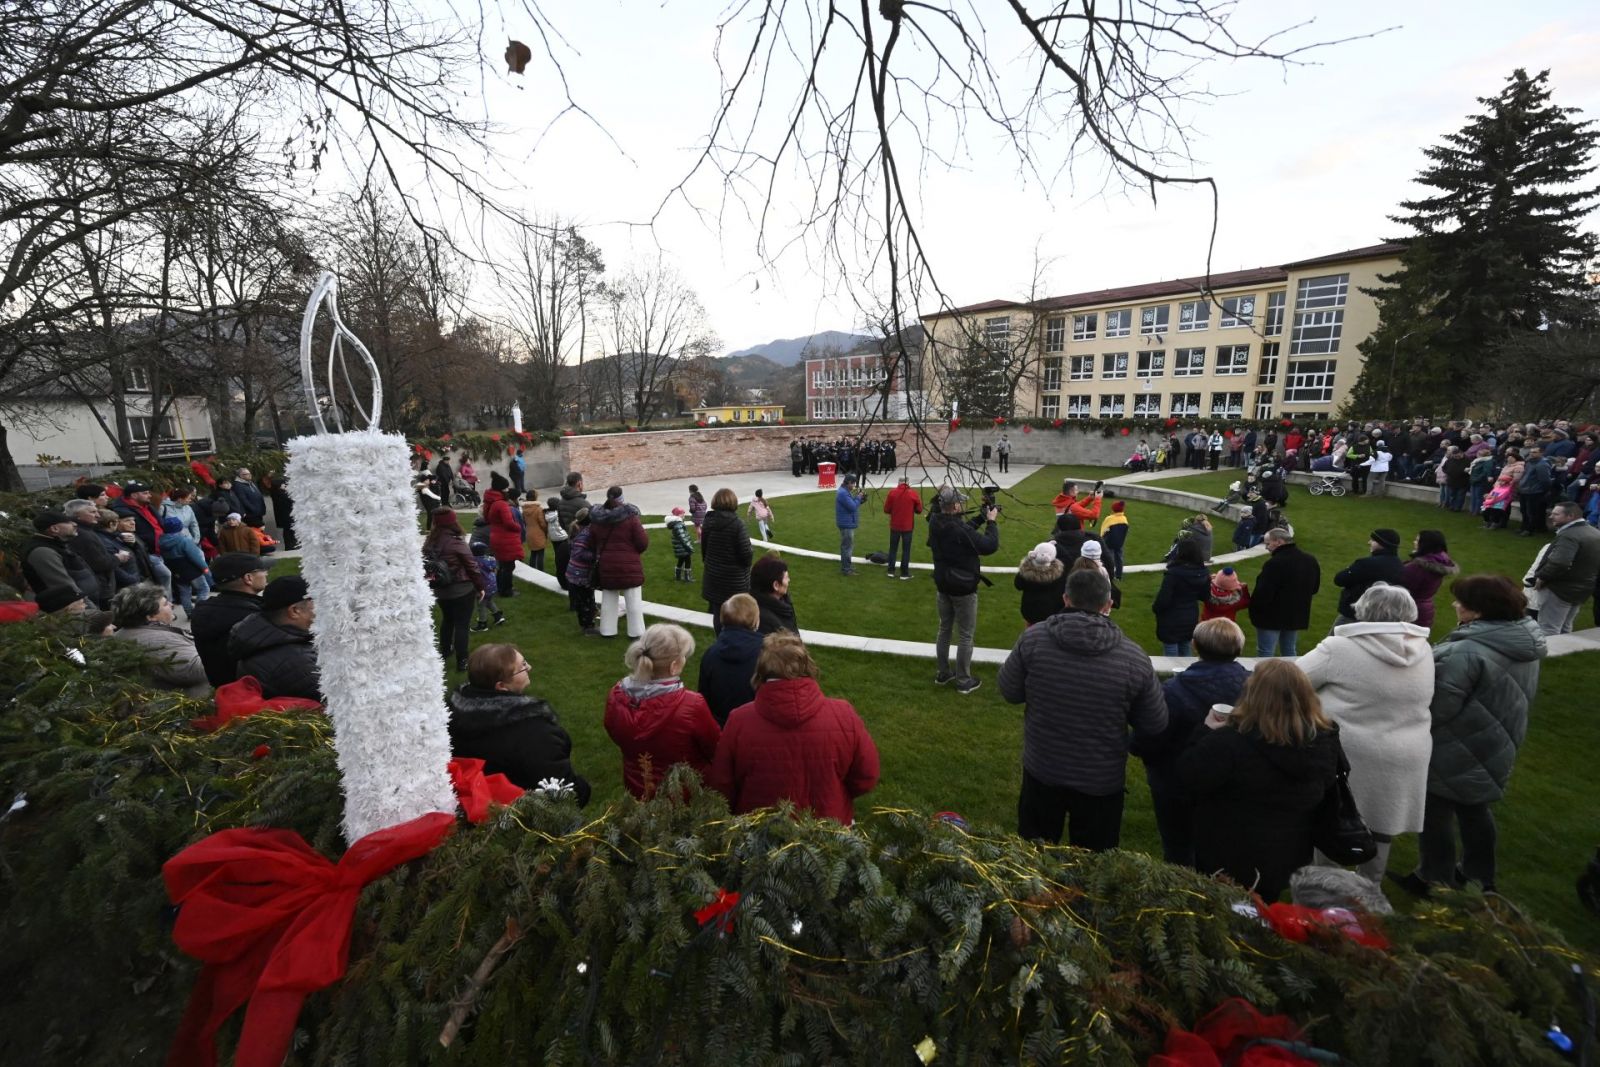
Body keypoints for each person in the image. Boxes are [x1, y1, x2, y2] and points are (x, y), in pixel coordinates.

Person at [1392, 575, 1547, 896]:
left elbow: (1438, 707)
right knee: (1475, 808)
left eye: (1462, 601)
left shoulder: (1468, 650)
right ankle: (1479, 875)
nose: (1454, 604)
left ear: (1479, 611)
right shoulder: (1521, 639)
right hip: (1497, 739)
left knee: (1435, 811)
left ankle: (1432, 878)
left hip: (1455, 743)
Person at [998, 567, 1167, 849]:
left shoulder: (1034, 639)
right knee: (1092, 863)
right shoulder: (1133, 657)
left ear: (1066, 599)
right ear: (1108, 605)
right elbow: (1155, 724)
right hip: (1098, 777)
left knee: (1035, 857)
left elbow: (1010, 691)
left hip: (1045, 768)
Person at [1295, 583, 1434, 883]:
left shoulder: (1340, 648)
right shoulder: (1423, 648)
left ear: (1364, 609)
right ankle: (1369, 890)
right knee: (1383, 823)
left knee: (1333, 818)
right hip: (1408, 752)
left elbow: (1293, 679)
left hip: (1352, 751)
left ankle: (1324, 893)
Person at [1178, 660, 1341, 902]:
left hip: (1228, 851)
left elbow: (1189, 777)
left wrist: (1205, 732)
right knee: (1264, 908)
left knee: (1222, 914)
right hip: (1286, 851)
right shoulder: (1323, 739)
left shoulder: (1229, 742)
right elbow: (1325, 784)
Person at [709, 631, 879, 825]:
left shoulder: (739, 719)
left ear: (761, 669)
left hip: (761, 833)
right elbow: (866, 776)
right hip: (825, 829)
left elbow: (722, 785)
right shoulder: (844, 714)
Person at [1131, 618, 1248, 866]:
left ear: (1195, 646)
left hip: (1177, 783)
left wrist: (1139, 749)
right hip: (1233, 782)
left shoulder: (1172, 691)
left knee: (1178, 848)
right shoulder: (1255, 689)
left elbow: (1150, 738)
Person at [447, 643, 590, 803]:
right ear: (501, 686)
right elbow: (566, 793)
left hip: (478, 806)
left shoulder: (451, 716)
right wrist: (583, 788)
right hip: (523, 816)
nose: (529, 667)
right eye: (522, 667)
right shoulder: (535, 732)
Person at [604, 623, 720, 798]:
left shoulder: (617, 695)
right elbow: (715, 747)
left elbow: (613, 731)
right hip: (683, 794)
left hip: (636, 786)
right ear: (674, 666)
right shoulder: (691, 705)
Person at [928, 487, 999, 694]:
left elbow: (961, 532)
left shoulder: (936, 521)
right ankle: (963, 680)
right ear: (956, 505)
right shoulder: (957, 529)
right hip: (962, 586)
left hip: (943, 584)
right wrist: (992, 521)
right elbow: (989, 545)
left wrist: (979, 517)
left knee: (944, 629)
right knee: (966, 634)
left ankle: (943, 673)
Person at [227, 575, 321, 701]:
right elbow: (344, 706)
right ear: (295, 611)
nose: (327, 608)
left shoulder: (260, 634)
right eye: (319, 602)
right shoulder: (299, 663)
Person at [108, 582, 210, 698]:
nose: (171, 605)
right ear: (150, 616)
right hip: (187, 703)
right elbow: (201, 669)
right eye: (165, 604)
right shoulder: (157, 641)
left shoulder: (128, 632)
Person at [188, 553, 270, 686]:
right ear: (248, 578)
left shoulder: (206, 610)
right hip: (254, 691)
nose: (266, 573)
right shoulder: (252, 617)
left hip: (225, 688)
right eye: (262, 570)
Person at [424, 508, 488, 671]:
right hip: (462, 589)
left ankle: (445, 651)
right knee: (462, 625)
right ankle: (463, 660)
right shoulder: (456, 542)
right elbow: (472, 566)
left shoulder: (429, 542)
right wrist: (480, 587)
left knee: (448, 620)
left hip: (440, 590)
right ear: (453, 521)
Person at [1248, 528, 1321, 657]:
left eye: (1268, 543)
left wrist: (1254, 610)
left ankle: (1265, 677)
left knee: (1265, 652)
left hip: (1271, 617)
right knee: (1289, 650)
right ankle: (1291, 676)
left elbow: (1262, 594)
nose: (1266, 548)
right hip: (1295, 615)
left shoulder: (1274, 563)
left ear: (1279, 542)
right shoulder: (1310, 560)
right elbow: (1314, 588)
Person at [1531, 501, 1600, 635]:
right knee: (1566, 626)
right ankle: (1564, 653)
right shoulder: (1594, 532)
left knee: (1549, 628)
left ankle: (1550, 654)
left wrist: (1542, 577)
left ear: (1570, 516)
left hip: (1560, 589)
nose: (1551, 516)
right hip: (1583, 588)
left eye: (1556, 514)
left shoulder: (1569, 535)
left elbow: (1560, 563)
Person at [589, 486, 649, 639]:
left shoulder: (597, 521)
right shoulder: (631, 518)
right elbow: (642, 542)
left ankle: (607, 630)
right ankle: (636, 632)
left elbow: (592, 541)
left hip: (606, 564)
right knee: (633, 599)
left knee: (608, 598)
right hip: (629, 564)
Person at [696, 594, 764, 727]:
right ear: (756, 621)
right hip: (754, 726)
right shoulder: (767, 653)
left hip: (720, 726)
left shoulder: (710, 654)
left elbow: (703, 698)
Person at [700, 488, 752, 631]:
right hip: (734, 581)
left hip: (714, 576)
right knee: (737, 615)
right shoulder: (737, 524)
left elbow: (704, 550)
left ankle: (721, 641)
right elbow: (746, 555)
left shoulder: (708, 522)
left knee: (718, 613)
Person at [111, 481, 175, 599]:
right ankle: (165, 603)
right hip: (146, 552)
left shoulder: (146, 505)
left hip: (159, 548)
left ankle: (169, 600)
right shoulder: (121, 510)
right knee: (165, 575)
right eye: (145, 493)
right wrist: (143, 545)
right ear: (134, 495)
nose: (149, 495)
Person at [1333, 528, 1405, 626]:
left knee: (1334, 640)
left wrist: (1349, 569)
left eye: (1373, 540)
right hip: (1381, 615)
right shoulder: (1399, 564)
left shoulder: (1366, 563)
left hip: (1355, 613)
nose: (1369, 542)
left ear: (1382, 544)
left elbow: (1339, 579)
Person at [21, 509, 92, 606]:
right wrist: (92, 610)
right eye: (68, 522)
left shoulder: (59, 544)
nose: (75, 524)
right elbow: (65, 587)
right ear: (55, 529)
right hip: (72, 611)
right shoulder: (43, 552)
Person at [1151, 537, 1210, 656]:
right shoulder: (1203, 573)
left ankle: (1173, 674)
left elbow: (1163, 599)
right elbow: (1205, 596)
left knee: (1171, 649)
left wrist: (1156, 609)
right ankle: (1188, 673)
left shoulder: (1174, 574)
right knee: (1185, 645)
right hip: (1190, 615)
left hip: (1171, 617)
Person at [1398, 530, 1459, 629]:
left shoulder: (1417, 567)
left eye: (1417, 540)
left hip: (1410, 610)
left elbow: (1400, 587)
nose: (1414, 542)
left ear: (1425, 544)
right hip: (1425, 608)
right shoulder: (1439, 562)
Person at [64, 499, 118, 607]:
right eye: (92, 512)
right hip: (100, 588)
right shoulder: (81, 535)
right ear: (77, 515)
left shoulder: (87, 530)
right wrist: (118, 558)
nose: (98, 515)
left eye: (97, 511)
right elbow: (99, 563)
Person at [481, 472, 523, 599]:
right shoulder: (501, 504)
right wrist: (518, 527)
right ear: (501, 489)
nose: (507, 490)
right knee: (508, 566)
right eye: (505, 487)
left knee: (503, 565)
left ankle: (500, 587)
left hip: (497, 536)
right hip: (504, 538)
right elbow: (509, 523)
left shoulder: (492, 502)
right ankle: (507, 590)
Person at [158, 516, 211, 615]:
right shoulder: (183, 540)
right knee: (203, 588)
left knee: (185, 592)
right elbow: (196, 557)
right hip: (191, 570)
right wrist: (205, 568)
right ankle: (199, 611)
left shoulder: (161, 541)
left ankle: (189, 612)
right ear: (180, 528)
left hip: (176, 571)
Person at [564, 507, 600, 635]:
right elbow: (579, 553)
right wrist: (595, 556)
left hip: (577, 574)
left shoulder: (581, 531)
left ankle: (589, 622)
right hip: (579, 575)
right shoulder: (584, 534)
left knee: (587, 600)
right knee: (585, 602)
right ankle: (588, 627)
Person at [1014, 541, 1066, 626]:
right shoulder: (1058, 573)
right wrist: (1054, 547)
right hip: (1052, 612)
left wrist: (1025, 565)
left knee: (1031, 635)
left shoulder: (1026, 572)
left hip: (1030, 612)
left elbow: (1018, 585)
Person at [751, 553, 799, 634]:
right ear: (776, 585)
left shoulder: (783, 600)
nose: (789, 580)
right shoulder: (767, 622)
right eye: (786, 577)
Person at [469, 542, 506, 631]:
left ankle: (482, 624)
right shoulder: (491, 559)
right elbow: (494, 568)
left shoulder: (474, 561)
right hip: (492, 585)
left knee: (481, 605)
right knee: (488, 601)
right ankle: (498, 616)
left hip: (482, 587)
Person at [1517, 447, 1553, 536]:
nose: (1532, 454)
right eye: (1531, 452)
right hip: (1524, 490)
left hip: (1534, 491)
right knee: (1524, 510)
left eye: (1534, 452)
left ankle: (1530, 529)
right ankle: (1524, 527)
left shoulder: (1542, 464)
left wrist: (1543, 490)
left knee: (1532, 512)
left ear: (1541, 453)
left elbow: (1545, 480)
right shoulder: (1529, 462)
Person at [834, 474, 864, 575]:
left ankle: (848, 567)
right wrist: (859, 498)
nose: (854, 486)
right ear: (849, 482)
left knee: (847, 546)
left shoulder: (845, 491)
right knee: (847, 547)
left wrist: (859, 499)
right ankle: (846, 569)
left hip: (846, 522)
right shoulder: (843, 493)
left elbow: (851, 503)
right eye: (853, 483)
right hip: (846, 524)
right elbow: (852, 507)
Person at [544, 496, 571, 588]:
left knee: (557, 554)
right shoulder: (558, 514)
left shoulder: (547, 514)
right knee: (565, 555)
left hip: (553, 538)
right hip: (562, 537)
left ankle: (558, 568)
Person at [1099, 500, 1129, 580]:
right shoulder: (1124, 519)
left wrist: (1101, 539)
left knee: (1110, 558)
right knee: (1119, 558)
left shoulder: (1109, 519)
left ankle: (1109, 575)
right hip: (1120, 542)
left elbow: (1103, 531)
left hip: (1109, 542)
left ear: (1113, 509)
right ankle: (1119, 575)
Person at [522, 490, 549, 572]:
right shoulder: (538, 509)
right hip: (538, 533)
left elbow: (524, 521)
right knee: (540, 553)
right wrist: (546, 530)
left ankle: (532, 571)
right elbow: (542, 523)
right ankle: (541, 571)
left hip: (529, 532)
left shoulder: (524, 509)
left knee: (533, 553)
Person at [667, 508, 695, 581]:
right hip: (683, 547)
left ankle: (678, 577)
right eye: (682, 513)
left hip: (680, 547)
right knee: (688, 560)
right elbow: (682, 538)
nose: (683, 515)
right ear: (677, 515)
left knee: (681, 560)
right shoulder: (678, 525)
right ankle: (687, 578)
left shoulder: (677, 523)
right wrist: (689, 547)